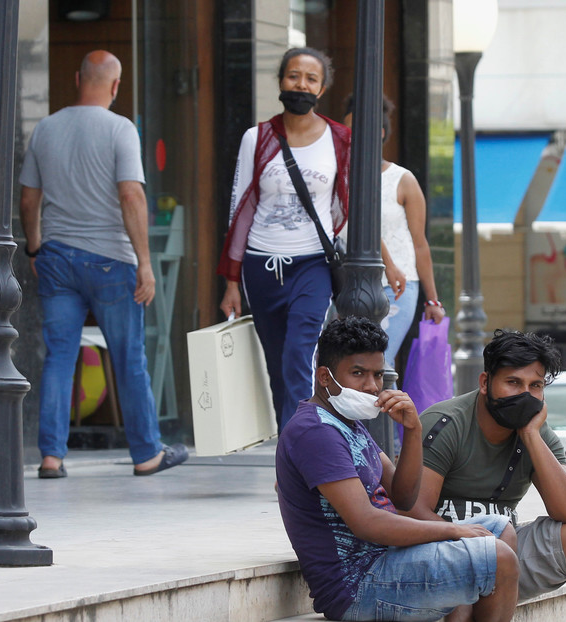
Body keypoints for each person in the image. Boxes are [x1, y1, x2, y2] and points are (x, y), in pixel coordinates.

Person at [276, 316, 519, 621]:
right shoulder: (315, 431)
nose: (372, 386)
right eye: (358, 373)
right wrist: (452, 529)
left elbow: (403, 498)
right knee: (498, 557)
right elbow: (365, 522)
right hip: (355, 585)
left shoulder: (348, 424)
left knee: (501, 530)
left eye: (378, 375)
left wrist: (413, 430)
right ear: (325, 377)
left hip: (387, 561)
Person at [19, 50, 187, 479]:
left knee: (58, 357)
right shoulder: (121, 129)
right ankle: (147, 453)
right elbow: (131, 195)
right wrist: (145, 264)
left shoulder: (45, 128)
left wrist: (36, 249)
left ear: (78, 77)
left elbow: (28, 199)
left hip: (57, 257)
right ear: (115, 86)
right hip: (113, 261)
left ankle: (52, 457)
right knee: (129, 358)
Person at [407, 329, 566, 621]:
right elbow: (413, 510)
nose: (525, 394)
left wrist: (531, 435)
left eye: (535, 385)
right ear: (485, 383)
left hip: (505, 554)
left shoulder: (538, 432)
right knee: (476, 570)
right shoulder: (446, 423)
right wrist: (469, 544)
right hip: (440, 554)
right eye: (513, 382)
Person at [218, 47, 350, 432]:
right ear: (280, 81)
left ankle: (300, 446)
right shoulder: (257, 137)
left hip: (312, 263)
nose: (301, 85)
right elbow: (239, 208)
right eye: (294, 76)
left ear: (322, 88)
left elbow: (345, 206)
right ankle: (290, 439)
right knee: (277, 363)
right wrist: (231, 279)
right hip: (261, 265)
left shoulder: (340, 139)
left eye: (311, 78)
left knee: (299, 354)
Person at [342, 94, 444, 366]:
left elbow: (419, 244)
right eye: (346, 130)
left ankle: (392, 411)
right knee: (346, 368)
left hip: (397, 287)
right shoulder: (336, 177)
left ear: (380, 133)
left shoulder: (403, 180)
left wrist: (433, 300)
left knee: (378, 365)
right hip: (344, 286)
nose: (351, 137)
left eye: (358, 130)